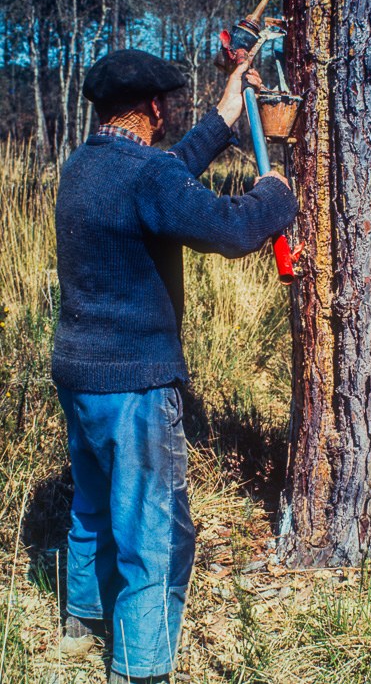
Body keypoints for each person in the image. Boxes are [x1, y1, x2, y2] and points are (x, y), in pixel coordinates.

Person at [51, 49, 297, 683]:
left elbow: (167, 177)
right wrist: (273, 197)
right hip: (134, 380)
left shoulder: (83, 167)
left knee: (93, 504)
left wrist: (224, 112)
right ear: (155, 107)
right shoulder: (146, 177)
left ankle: (82, 620)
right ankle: (141, 667)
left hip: (78, 374)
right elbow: (225, 227)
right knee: (154, 531)